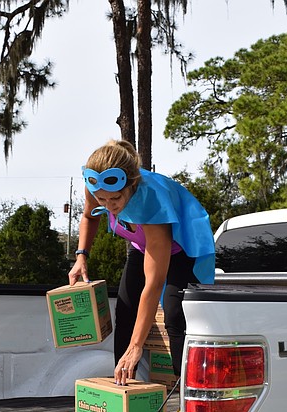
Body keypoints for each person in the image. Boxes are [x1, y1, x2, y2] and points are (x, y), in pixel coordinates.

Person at [69, 140, 215, 385]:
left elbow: (153, 284)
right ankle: (124, 385)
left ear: (132, 185)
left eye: (114, 199)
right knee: (125, 308)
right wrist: (81, 255)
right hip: (142, 244)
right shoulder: (95, 185)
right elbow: (88, 217)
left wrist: (137, 346)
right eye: (102, 200)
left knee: (174, 313)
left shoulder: (150, 201)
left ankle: (186, 390)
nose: (108, 206)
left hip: (184, 247)